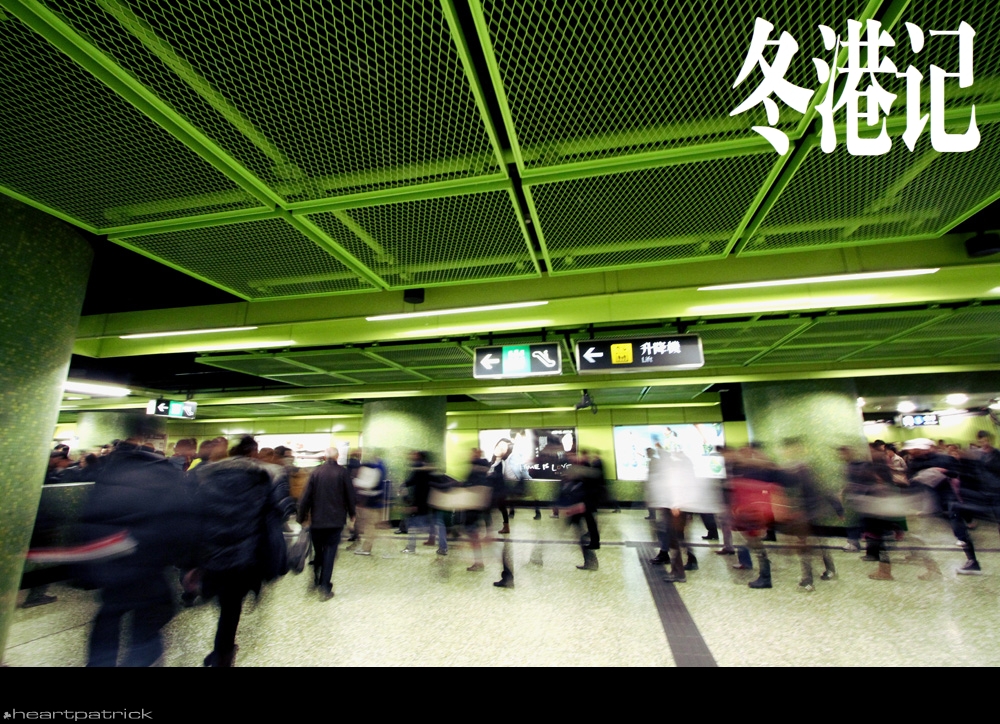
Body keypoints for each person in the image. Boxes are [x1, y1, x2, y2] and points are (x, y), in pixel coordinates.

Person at [77, 416, 195, 666]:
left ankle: (99, 664)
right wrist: (189, 562)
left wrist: (84, 567)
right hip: (148, 562)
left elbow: (88, 516)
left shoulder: (109, 471)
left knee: (109, 615)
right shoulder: (166, 473)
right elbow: (182, 521)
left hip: (111, 560)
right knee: (149, 620)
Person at [194, 435, 284, 666]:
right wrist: (274, 562)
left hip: (212, 556)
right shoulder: (260, 479)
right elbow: (270, 522)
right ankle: (223, 654)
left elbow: (195, 519)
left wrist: (191, 561)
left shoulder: (208, 477)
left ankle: (221, 650)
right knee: (231, 607)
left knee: (224, 604)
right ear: (252, 453)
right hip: (244, 557)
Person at [297, 447, 356, 598]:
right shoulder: (343, 472)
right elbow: (350, 495)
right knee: (330, 552)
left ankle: (316, 579)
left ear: (324, 457)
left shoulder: (316, 472)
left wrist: (301, 517)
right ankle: (324, 587)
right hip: (335, 521)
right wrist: (352, 514)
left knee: (318, 552)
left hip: (317, 520)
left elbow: (306, 496)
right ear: (337, 457)